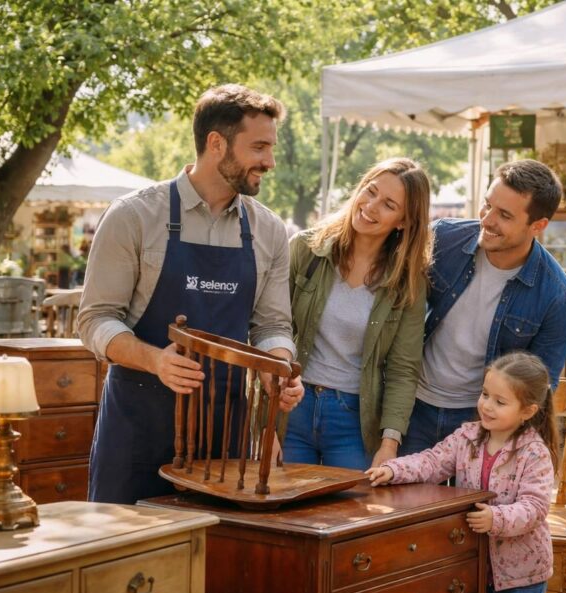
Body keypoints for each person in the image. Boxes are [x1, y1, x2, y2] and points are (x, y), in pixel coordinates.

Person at [78, 84, 303, 505]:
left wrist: (278, 368)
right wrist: (154, 359)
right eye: (258, 147)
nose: (269, 162)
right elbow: (94, 319)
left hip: (227, 442)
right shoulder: (134, 217)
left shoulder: (269, 231)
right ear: (216, 144)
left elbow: (272, 325)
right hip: (139, 429)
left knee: (213, 566)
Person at [367, 351, 556, 593]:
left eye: (500, 401)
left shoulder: (534, 452)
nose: (486, 405)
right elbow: (431, 461)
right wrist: (392, 469)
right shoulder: (467, 437)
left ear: (528, 411)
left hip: (523, 575)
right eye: (485, 395)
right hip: (476, 568)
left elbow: (535, 507)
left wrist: (496, 519)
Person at [400, 158, 566, 455]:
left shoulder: (556, 295)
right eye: (487, 205)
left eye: (504, 215)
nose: (487, 219)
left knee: (467, 504)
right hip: (412, 406)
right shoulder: (442, 237)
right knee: (399, 501)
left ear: (538, 225)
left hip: (481, 420)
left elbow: (539, 387)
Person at [284, 158, 432, 469]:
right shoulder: (306, 249)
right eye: (370, 191)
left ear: (403, 221)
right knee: (283, 511)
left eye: (389, 204)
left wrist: (389, 444)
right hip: (292, 405)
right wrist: (268, 425)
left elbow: (403, 370)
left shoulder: (407, 282)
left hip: (353, 419)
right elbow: (272, 328)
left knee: (349, 515)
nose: (371, 206)